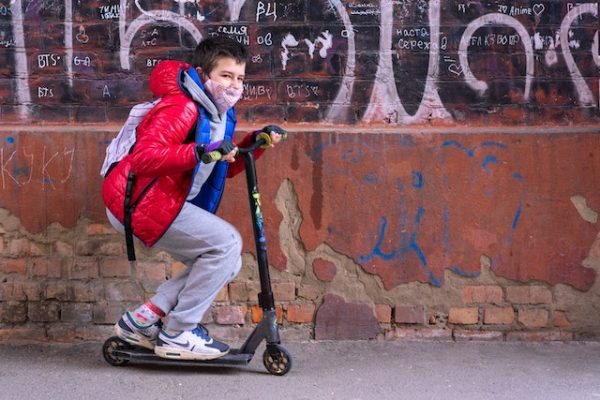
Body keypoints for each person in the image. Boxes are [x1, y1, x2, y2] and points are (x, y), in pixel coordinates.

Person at [101, 36, 286, 361]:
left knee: (228, 261)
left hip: (162, 200)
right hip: (139, 203)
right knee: (227, 244)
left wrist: (253, 144)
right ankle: (178, 332)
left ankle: (142, 320)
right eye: (226, 76)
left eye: (240, 78)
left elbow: (218, 167)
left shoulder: (219, 113)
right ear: (203, 75)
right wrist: (201, 150)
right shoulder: (181, 107)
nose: (234, 85)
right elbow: (144, 158)